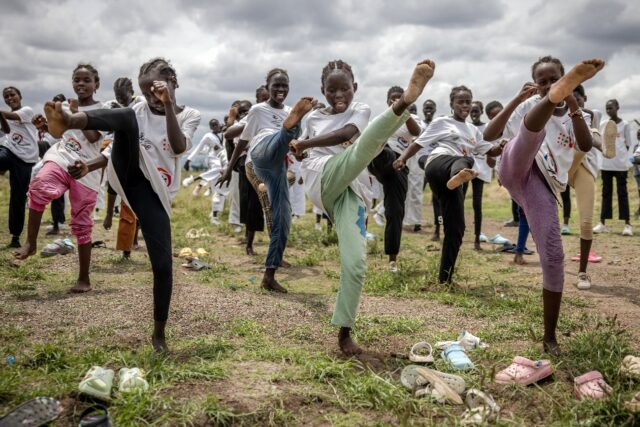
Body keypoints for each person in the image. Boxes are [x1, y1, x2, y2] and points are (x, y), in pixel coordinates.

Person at [42, 57, 201, 352]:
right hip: (128, 175)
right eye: (147, 91)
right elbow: (116, 147)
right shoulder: (137, 110)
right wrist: (90, 166)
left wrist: (167, 105)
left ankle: (159, 334)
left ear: (172, 82)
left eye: (155, 89)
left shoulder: (189, 114)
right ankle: (68, 121)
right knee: (126, 116)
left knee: (163, 265)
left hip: (153, 193)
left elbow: (179, 147)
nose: (151, 97)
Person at [291, 59, 435, 355]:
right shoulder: (314, 117)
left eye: (344, 88)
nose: (338, 94)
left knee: (356, 265)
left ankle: (344, 332)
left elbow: (345, 134)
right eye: (331, 90)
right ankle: (405, 102)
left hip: (351, 191)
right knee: (361, 149)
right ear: (323, 90)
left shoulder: (361, 110)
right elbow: (304, 153)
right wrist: (304, 150)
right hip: (322, 176)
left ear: (354, 88)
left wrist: (304, 145)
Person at [483, 56, 605, 354]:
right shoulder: (527, 105)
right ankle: (548, 102)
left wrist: (573, 104)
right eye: (543, 81)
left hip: (545, 186)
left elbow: (586, 145)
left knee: (553, 256)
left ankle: (549, 337)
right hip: (516, 167)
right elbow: (489, 135)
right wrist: (518, 98)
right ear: (535, 84)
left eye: (555, 80)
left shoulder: (579, 114)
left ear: (568, 81)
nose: (548, 83)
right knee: (528, 134)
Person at [394, 86, 504, 284]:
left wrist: (502, 146)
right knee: (467, 160)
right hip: (438, 164)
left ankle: (445, 279)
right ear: (452, 103)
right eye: (460, 101)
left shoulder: (473, 131)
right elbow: (418, 143)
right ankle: (459, 175)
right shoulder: (442, 122)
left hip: (451, 182)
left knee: (457, 227)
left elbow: (492, 151)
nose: (464, 105)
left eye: (467, 101)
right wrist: (402, 158)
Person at [15, 64, 107, 297]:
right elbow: (60, 135)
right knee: (39, 185)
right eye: (77, 80)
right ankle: (31, 242)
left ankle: (84, 278)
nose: (81, 84)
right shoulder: (64, 106)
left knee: (82, 224)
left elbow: (94, 136)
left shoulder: (103, 109)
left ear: (96, 84)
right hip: (62, 156)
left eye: (87, 80)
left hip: (86, 169)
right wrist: (45, 127)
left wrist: (75, 114)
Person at [219, 69, 296, 292]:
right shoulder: (257, 110)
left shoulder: (290, 112)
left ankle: (269, 274)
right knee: (272, 143)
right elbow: (241, 142)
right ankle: (266, 189)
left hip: (277, 167)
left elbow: (295, 146)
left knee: (282, 219)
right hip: (256, 162)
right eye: (276, 85)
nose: (280, 90)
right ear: (267, 86)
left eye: (284, 85)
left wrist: (301, 150)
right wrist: (229, 168)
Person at [367, 86, 422, 272]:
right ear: (387, 101)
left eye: (400, 98)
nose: (395, 101)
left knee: (395, 212)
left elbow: (416, 133)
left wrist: (404, 111)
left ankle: (392, 259)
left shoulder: (411, 118)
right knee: (383, 150)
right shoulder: (380, 118)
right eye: (393, 98)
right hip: (379, 160)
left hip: (399, 166)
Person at [568, 84, 603, 289]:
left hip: (584, 169)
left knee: (586, 222)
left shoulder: (591, 114)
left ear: (584, 98)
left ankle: (582, 273)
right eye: (569, 98)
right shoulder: (559, 115)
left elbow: (596, 139)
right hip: (562, 169)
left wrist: (603, 146)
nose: (573, 102)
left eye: (577, 98)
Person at [0, 86, 39, 248]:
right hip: (9, 151)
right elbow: (5, 132)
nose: (10, 98)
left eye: (12, 95)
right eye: (6, 96)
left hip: (26, 158)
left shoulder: (27, 110)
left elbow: (9, 115)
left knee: (18, 197)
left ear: (20, 96)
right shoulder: (4, 117)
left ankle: (15, 237)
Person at [223, 99, 263, 254]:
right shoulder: (238, 127)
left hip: (256, 166)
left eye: (248, 110)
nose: (245, 113)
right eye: (242, 111)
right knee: (245, 203)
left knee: (254, 204)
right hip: (241, 167)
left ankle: (250, 244)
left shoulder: (256, 123)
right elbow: (232, 143)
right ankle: (247, 237)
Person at [593, 99, 634, 236]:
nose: (609, 110)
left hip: (621, 166)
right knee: (606, 193)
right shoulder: (604, 124)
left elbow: (628, 144)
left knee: (622, 194)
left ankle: (627, 225)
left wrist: (620, 155)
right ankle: (602, 223)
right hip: (606, 164)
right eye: (607, 108)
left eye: (611, 108)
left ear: (617, 107)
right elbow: (601, 142)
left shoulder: (625, 125)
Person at [467, 100, 492, 250]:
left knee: (477, 204)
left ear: (481, 111)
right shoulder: (467, 127)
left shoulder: (487, 128)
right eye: (472, 111)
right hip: (466, 166)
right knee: (458, 201)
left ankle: (477, 239)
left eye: (476, 111)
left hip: (481, 169)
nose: (474, 114)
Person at [419, 99, 442, 240]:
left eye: (431, 108)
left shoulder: (438, 125)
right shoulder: (419, 125)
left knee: (436, 198)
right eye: (426, 108)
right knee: (414, 195)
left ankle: (438, 229)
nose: (429, 110)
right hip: (421, 163)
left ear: (435, 110)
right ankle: (411, 221)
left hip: (435, 163)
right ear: (423, 109)